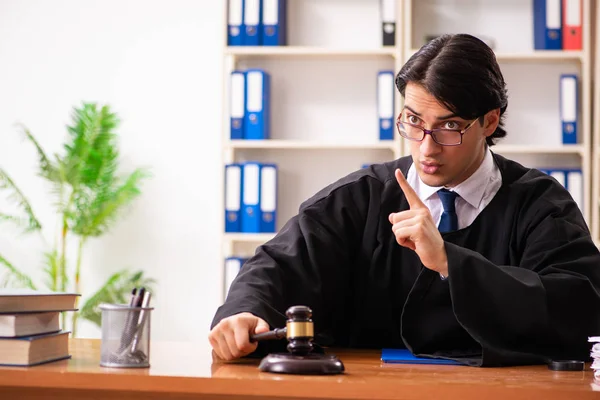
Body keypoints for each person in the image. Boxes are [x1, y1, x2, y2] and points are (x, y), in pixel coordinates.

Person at [209, 33, 600, 367]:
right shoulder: (359, 198)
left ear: (490, 121)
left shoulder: (539, 204)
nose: (427, 148)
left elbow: (580, 307)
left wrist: (449, 263)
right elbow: (279, 265)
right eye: (413, 122)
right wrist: (245, 312)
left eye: (449, 126)